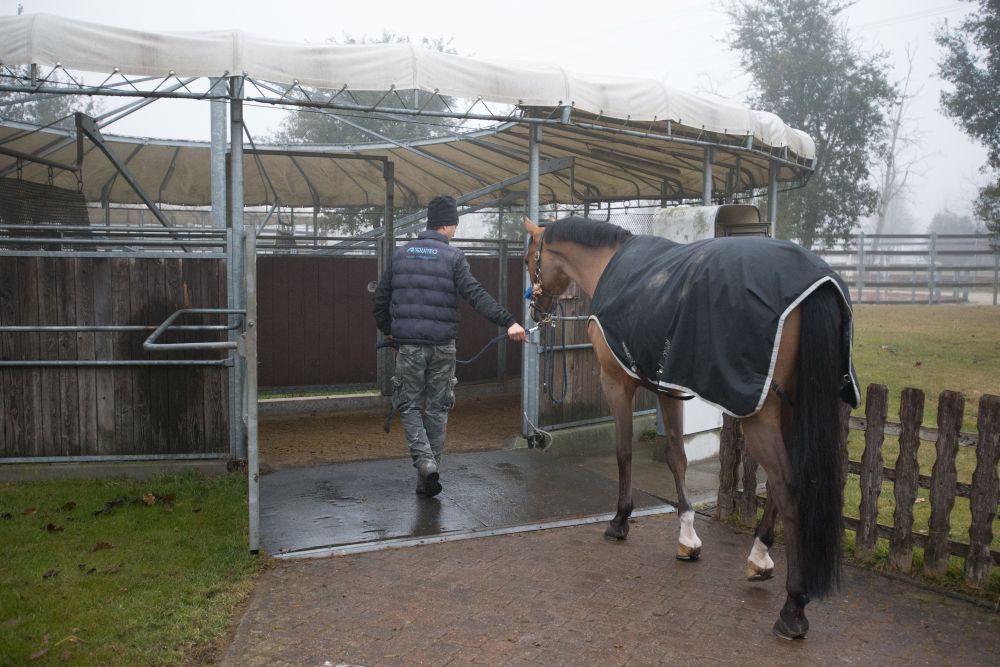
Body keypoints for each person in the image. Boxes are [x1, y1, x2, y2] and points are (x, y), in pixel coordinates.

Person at [373, 195, 527, 497]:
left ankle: (426, 466)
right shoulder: (454, 258)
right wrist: (508, 321)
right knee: (438, 410)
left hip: (410, 349)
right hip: (443, 348)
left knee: (409, 406)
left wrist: (390, 332)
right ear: (447, 225)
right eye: (454, 225)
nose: (455, 230)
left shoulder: (400, 256)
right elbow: (476, 295)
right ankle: (428, 474)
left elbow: (380, 300)